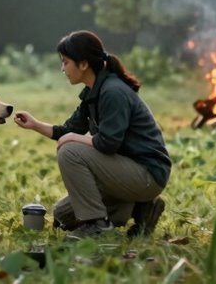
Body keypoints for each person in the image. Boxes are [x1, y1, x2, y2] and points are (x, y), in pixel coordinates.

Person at [13, 30, 171, 239]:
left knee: (69, 151)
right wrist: (34, 125)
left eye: (65, 62)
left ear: (83, 64)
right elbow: (68, 130)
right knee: (63, 216)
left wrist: (72, 139)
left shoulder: (113, 92)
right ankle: (143, 209)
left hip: (147, 175)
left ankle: (97, 224)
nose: (62, 69)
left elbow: (108, 143)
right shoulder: (93, 92)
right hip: (123, 172)